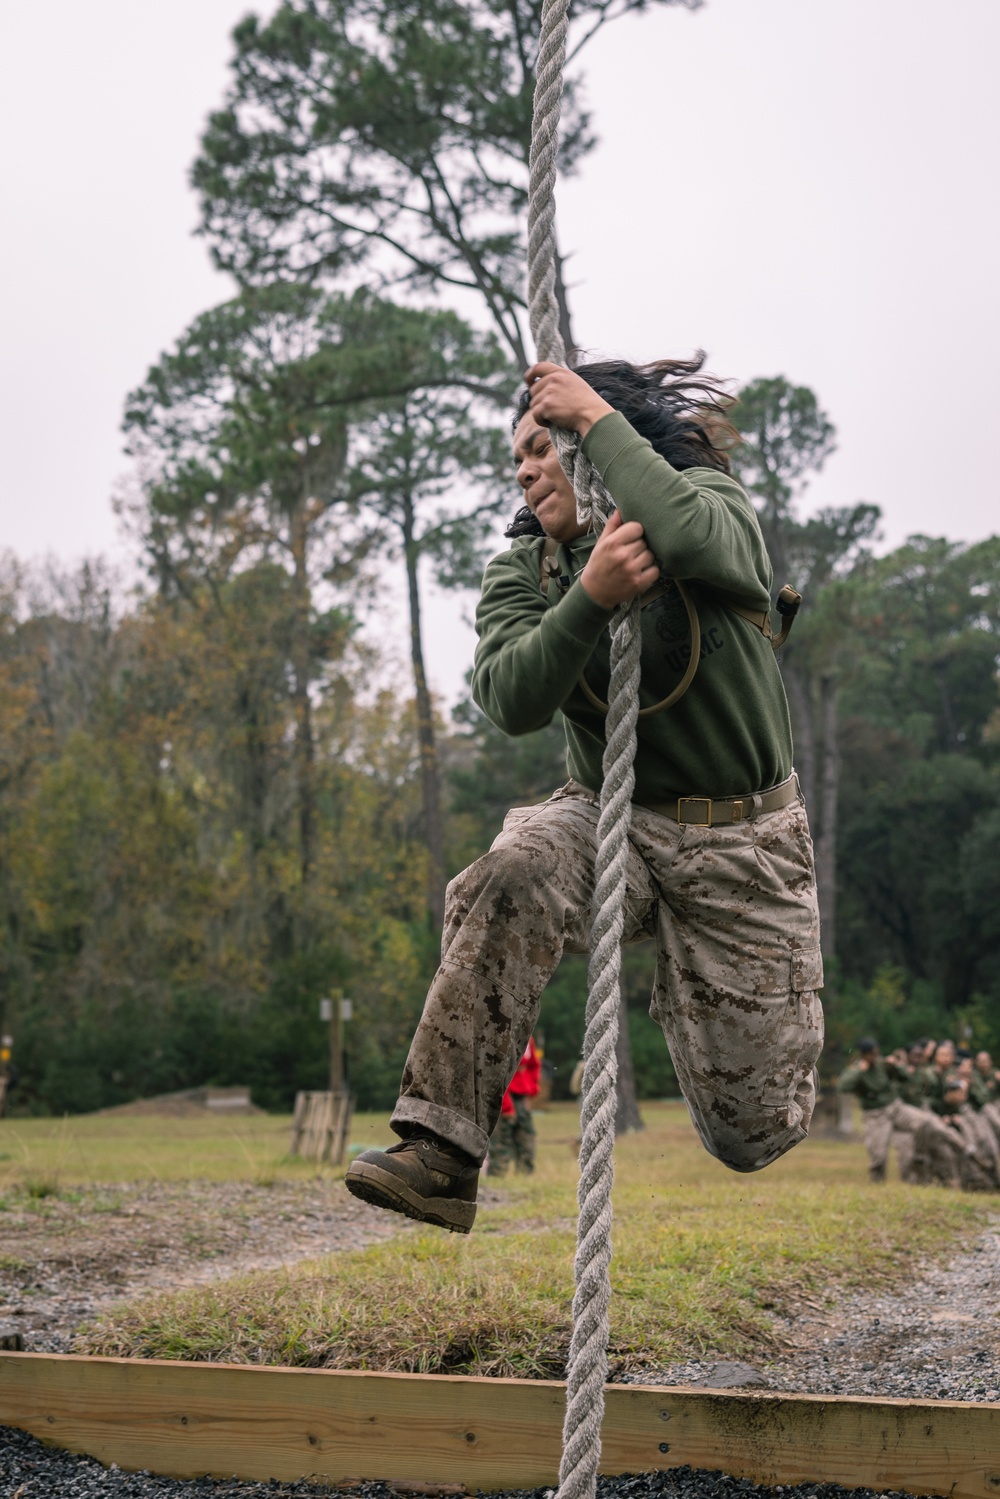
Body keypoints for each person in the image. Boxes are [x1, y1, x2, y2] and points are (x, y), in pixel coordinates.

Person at [345, 354, 824, 1234]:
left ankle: (697, 996)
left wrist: (596, 416)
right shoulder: (528, 571)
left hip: (746, 847)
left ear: (596, 439)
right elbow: (512, 698)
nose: (525, 468)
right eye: (514, 459)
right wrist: (591, 598)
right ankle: (440, 1151)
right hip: (616, 821)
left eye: (541, 445)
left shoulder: (711, 504)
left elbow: (683, 538)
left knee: (753, 1134)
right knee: (509, 870)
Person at [837, 1039, 927, 1183]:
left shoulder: (882, 1064)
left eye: (876, 1053)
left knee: (923, 1122)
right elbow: (843, 1086)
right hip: (875, 1115)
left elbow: (905, 1077)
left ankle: (918, 1168)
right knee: (878, 1155)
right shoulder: (857, 1069)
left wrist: (895, 1065)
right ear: (864, 1055)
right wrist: (860, 1071)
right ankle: (877, 1183)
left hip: (895, 1107)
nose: (874, 1057)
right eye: (871, 1054)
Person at [487, 1034, 542, 1175]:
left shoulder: (528, 1039)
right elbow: (496, 1073)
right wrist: (505, 1105)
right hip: (502, 1096)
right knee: (500, 1145)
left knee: (526, 1141)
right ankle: (497, 1181)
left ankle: (525, 1178)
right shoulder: (499, 1036)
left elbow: (534, 1065)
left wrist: (531, 1091)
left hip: (521, 1097)